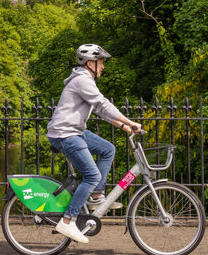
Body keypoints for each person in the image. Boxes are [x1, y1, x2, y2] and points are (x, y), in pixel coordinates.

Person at [47, 44, 142, 244]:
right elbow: (103, 104)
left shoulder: (84, 80)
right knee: (91, 175)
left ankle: (96, 195)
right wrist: (129, 121)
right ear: (90, 63)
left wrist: (122, 126)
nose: (103, 67)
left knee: (108, 149)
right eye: (101, 63)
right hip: (66, 134)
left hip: (75, 131)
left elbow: (99, 110)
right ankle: (68, 220)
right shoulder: (82, 80)